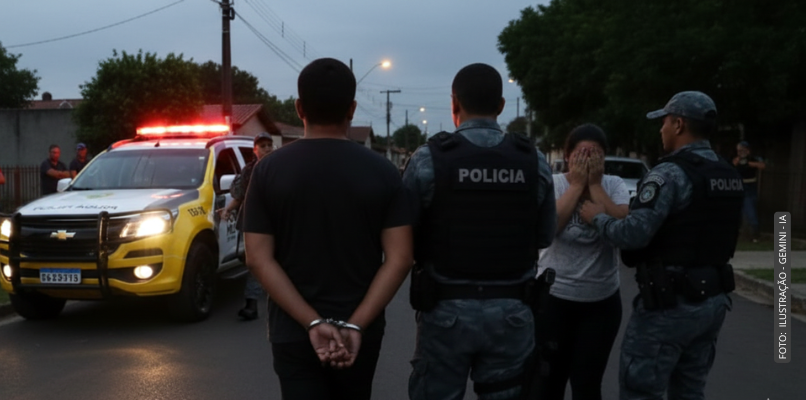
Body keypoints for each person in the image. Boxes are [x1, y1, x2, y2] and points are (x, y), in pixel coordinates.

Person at [243, 58, 413, 400]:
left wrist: (312, 322)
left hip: (293, 329)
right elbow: (400, 258)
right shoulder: (383, 171)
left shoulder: (268, 171)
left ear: (299, 108)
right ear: (352, 109)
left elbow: (258, 258)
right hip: (360, 330)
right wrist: (356, 323)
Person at [403, 63, 556, 400]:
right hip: (513, 312)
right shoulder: (533, 160)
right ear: (501, 105)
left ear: (454, 103)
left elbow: (404, 236)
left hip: (445, 312)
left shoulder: (429, 159)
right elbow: (545, 236)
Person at [579, 91, 742, 399]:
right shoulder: (726, 172)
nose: (661, 129)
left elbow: (634, 234)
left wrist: (597, 218)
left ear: (679, 125)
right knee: (690, 390)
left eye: (665, 122)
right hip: (712, 301)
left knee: (640, 390)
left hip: (670, 305)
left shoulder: (670, 173)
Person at [536, 124, 629, 400]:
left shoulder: (614, 184)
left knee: (587, 384)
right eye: (581, 154)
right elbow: (549, 229)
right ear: (567, 156)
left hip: (600, 302)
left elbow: (623, 229)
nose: (588, 161)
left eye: (595, 155)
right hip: (554, 299)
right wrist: (577, 186)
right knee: (548, 383)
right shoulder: (555, 184)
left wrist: (595, 186)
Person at [219, 132, 274, 321]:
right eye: (263, 146)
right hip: (254, 222)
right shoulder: (249, 171)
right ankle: (251, 304)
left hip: (278, 221)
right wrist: (228, 210)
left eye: (269, 145)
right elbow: (239, 195)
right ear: (255, 150)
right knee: (255, 262)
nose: (267, 149)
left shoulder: (281, 167)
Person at [731, 141, 765, 242]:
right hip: (738, 187)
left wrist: (748, 163)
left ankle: (755, 234)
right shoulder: (736, 159)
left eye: (743, 150)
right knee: (738, 211)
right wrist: (738, 160)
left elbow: (762, 166)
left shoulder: (753, 159)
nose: (741, 152)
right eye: (739, 150)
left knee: (750, 211)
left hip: (750, 187)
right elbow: (732, 166)